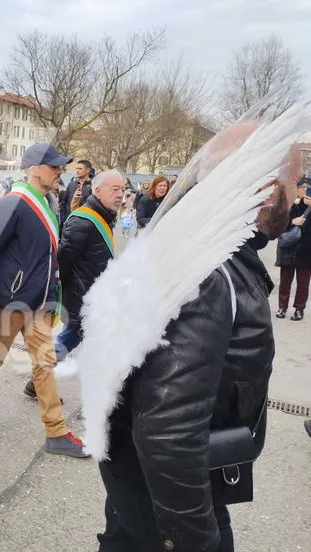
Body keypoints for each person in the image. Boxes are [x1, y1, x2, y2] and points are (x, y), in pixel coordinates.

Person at [77, 116, 307, 552]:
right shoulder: (208, 273)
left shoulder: (195, 244)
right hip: (165, 494)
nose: (297, 196)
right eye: (295, 181)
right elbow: (168, 431)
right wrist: (194, 540)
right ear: (264, 188)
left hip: (144, 480)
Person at [0, 143, 87, 458]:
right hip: (11, 301)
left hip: (40, 302)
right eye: (54, 166)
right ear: (33, 169)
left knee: (44, 363)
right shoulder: (13, 203)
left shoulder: (50, 203)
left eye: (60, 167)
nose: (59, 172)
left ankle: (56, 432)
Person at [23, 170, 125, 398]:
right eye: (115, 189)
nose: (121, 195)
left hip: (93, 294)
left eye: (122, 189)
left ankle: (38, 380)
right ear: (97, 191)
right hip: (83, 296)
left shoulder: (103, 215)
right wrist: (69, 293)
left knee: (73, 336)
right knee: (85, 338)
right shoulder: (83, 220)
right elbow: (62, 261)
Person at [275, 179, 311, 321]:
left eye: (307, 188)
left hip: (306, 248)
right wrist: (292, 222)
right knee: (285, 280)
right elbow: (276, 222)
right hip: (288, 247)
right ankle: (282, 307)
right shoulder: (286, 203)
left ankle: (299, 309)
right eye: (302, 187)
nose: (305, 190)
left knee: (303, 282)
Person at [59, 159, 93, 224]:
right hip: (68, 222)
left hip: (84, 223)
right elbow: (64, 203)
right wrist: (63, 219)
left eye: (80, 169)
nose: (77, 171)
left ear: (88, 170)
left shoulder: (93, 186)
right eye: (76, 168)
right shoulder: (71, 184)